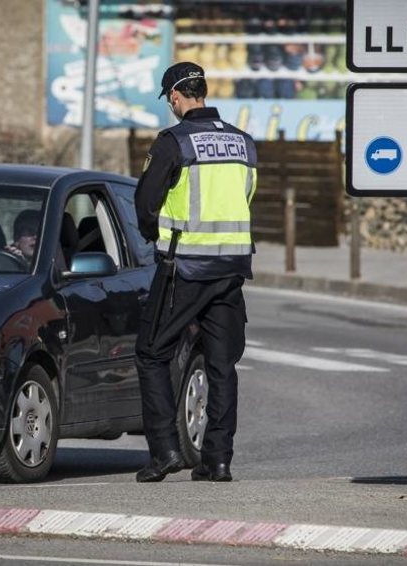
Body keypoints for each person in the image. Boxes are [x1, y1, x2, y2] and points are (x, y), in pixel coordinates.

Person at [133, 62, 257, 483]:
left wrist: (158, 236)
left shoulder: (174, 142)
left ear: (174, 97)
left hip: (183, 268)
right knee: (222, 365)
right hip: (230, 271)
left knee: (152, 353)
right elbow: (247, 198)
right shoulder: (243, 143)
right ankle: (218, 459)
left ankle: (165, 451)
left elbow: (146, 205)